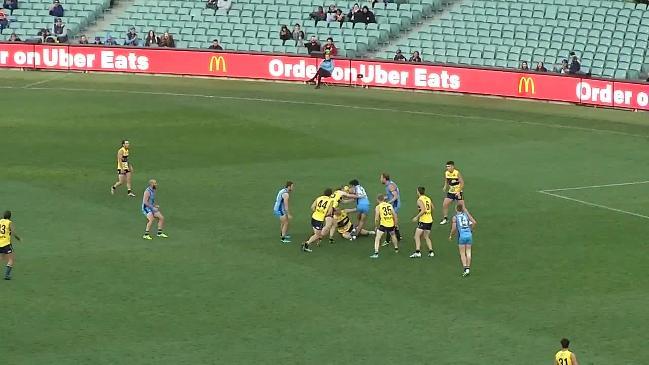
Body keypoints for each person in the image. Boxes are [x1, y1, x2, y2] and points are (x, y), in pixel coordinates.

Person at [301, 188, 334, 253]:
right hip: (319, 220)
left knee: (317, 233)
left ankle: (313, 240)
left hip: (313, 217)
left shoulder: (318, 198)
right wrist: (323, 214)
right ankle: (306, 244)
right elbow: (330, 212)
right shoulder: (330, 201)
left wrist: (317, 211)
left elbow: (312, 207)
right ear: (331, 194)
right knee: (318, 235)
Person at [449, 204, 476, 277]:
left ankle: (465, 268)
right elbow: (474, 223)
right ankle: (468, 268)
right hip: (469, 235)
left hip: (462, 236)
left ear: (456, 209)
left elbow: (454, 228)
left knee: (462, 253)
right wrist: (471, 230)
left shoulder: (455, 217)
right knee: (468, 251)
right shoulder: (466, 215)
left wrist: (451, 235)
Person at [409, 187, 434, 258]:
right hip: (430, 220)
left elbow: (423, 210)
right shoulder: (428, 198)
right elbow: (432, 208)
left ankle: (418, 252)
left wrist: (416, 217)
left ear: (418, 192)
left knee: (416, 236)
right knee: (426, 236)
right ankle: (431, 251)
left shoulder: (419, 200)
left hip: (423, 221)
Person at [440, 161, 464, 225]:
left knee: (462, 207)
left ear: (453, 166)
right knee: (445, 204)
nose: (447, 168)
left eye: (449, 166)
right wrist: (445, 186)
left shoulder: (457, 173)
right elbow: (446, 180)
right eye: (447, 166)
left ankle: (466, 218)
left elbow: (462, 183)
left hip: (458, 192)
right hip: (451, 192)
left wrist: (458, 192)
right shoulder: (446, 173)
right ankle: (445, 218)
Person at [379, 172, 401, 242]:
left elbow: (395, 196)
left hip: (395, 205)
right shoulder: (389, 184)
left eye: (381, 178)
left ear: (385, 179)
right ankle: (398, 236)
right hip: (393, 204)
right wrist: (383, 199)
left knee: (390, 221)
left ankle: (388, 240)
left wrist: (388, 203)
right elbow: (389, 196)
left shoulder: (390, 186)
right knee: (393, 220)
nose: (380, 179)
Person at [0, 211, 21, 280]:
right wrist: (18, 238)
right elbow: (13, 233)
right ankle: (7, 275)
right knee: (11, 259)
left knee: (2, 258)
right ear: (10, 217)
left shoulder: (0, 221)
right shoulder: (9, 222)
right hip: (6, 244)